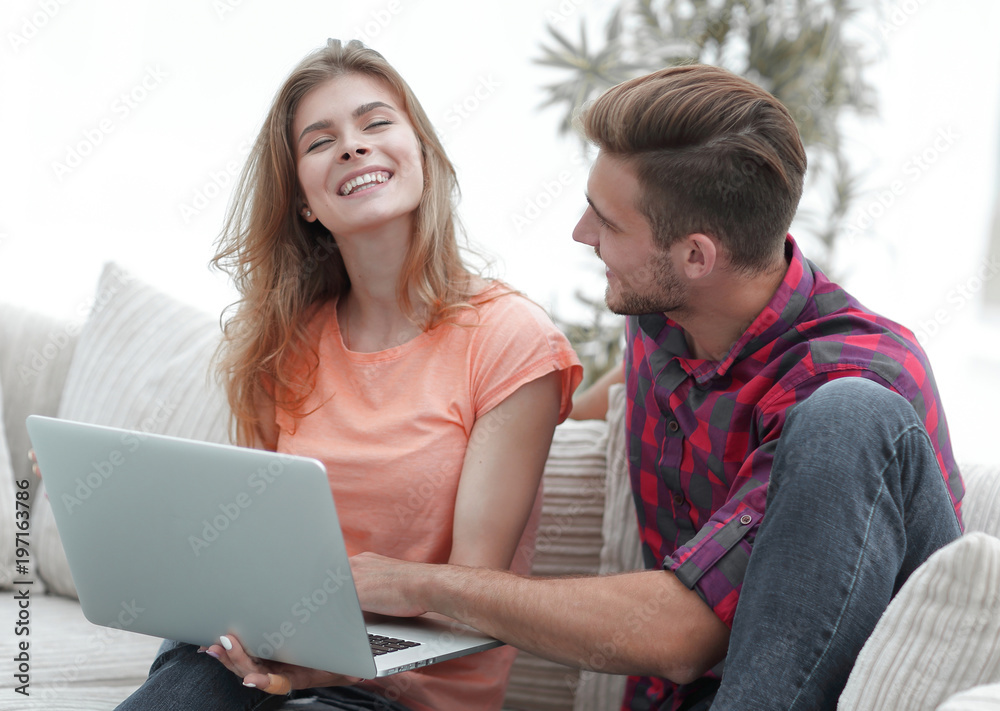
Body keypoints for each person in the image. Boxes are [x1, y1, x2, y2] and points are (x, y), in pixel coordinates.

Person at [350, 64, 965, 710]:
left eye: (607, 223)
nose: (581, 236)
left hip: (830, 689)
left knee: (851, 413)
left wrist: (427, 586)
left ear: (696, 257)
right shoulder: (663, 315)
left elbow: (682, 634)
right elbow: (606, 400)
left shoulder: (853, 376)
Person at [112, 39, 582, 711]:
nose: (354, 147)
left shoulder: (512, 338)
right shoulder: (282, 344)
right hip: (260, 657)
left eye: (376, 122)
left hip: (403, 690)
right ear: (303, 200)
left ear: (421, 151)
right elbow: (246, 553)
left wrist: (326, 664)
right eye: (321, 140)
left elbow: (474, 597)